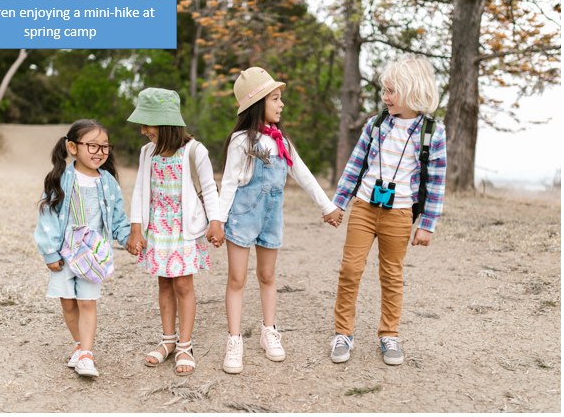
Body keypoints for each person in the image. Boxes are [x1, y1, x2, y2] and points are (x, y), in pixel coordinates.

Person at [219, 67, 343, 374]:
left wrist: (327, 206)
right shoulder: (242, 141)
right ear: (258, 103)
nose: (281, 104)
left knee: (268, 275)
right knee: (237, 279)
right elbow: (229, 183)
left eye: (280, 98)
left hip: (271, 219)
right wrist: (217, 220)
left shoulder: (282, 141)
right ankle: (234, 340)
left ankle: (268, 331)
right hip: (242, 218)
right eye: (275, 98)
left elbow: (302, 173)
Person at [330, 54, 447, 366]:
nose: (385, 97)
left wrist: (427, 224)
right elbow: (355, 165)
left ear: (412, 91)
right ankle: (343, 332)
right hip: (365, 207)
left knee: (392, 274)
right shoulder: (376, 124)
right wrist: (339, 203)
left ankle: (389, 334)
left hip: (399, 213)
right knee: (350, 269)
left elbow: (436, 182)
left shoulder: (433, 133)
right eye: (384, 90)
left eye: (392, 91)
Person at [126, 87, 224, 376]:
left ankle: (185, 344)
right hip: (158, 228)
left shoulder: (195, 150)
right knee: (164, 284)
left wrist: (215, 221)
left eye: (148, 123)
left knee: (183, 285)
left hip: (184, 229)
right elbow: (140, 190)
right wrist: (136, 228)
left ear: (166, 123)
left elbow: (208, 187)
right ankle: (167, 340)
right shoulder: (148, 153)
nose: (143, 130)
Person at [34, 119, 134, 378]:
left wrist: (128, 239)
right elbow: (47, 218)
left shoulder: (108, 182)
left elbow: (118, 217)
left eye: (105, 147)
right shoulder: (59, 178)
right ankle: (80, 345)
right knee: (68, 304)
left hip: (93, 256)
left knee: (87, 303)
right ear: (72, 147)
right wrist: (50, 252)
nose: (99, 152)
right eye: (92, 145)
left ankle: (87, 354)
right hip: (65, 254)